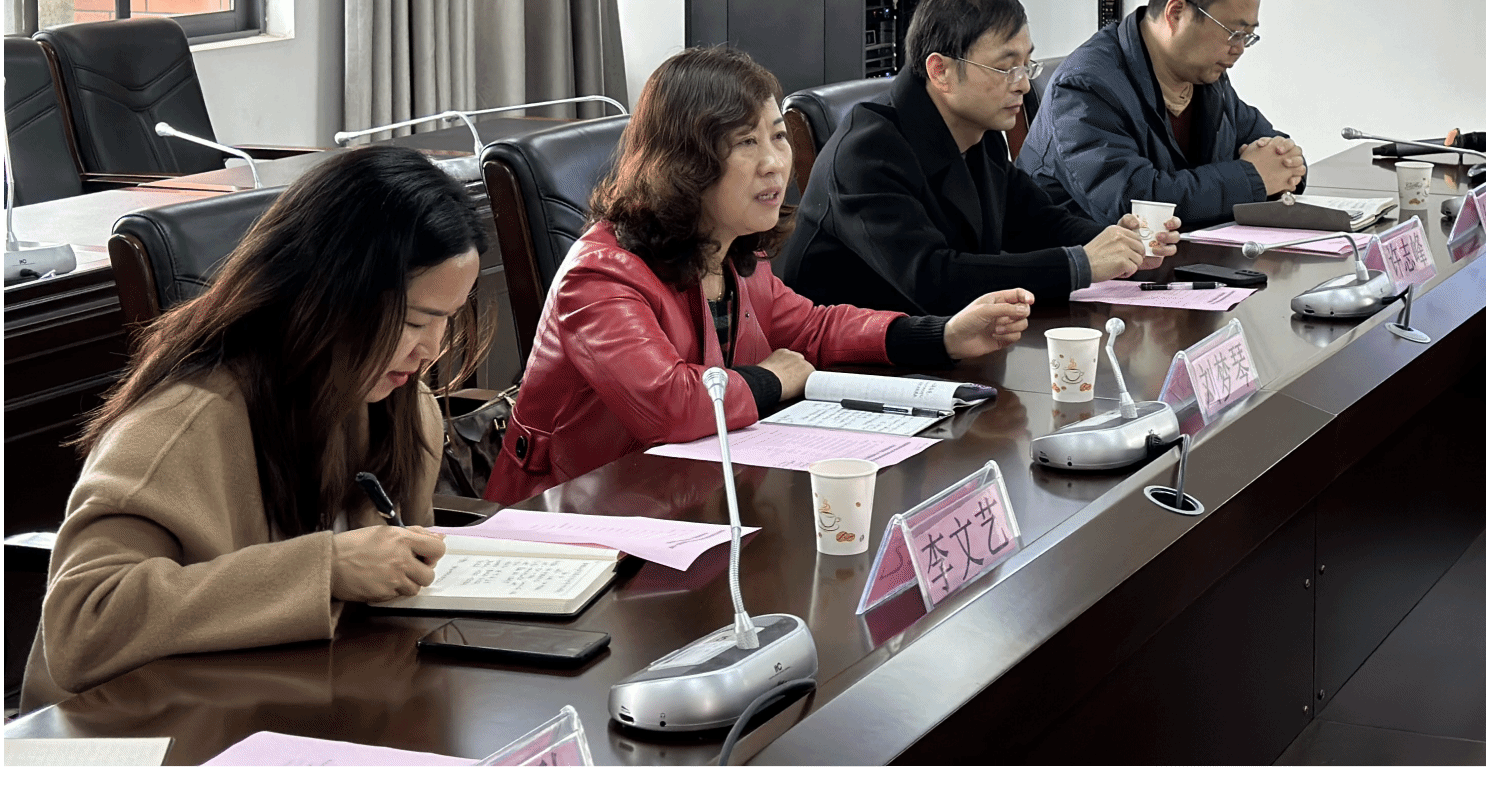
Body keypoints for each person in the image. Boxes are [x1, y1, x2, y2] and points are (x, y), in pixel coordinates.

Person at [26, 145, 488, 708]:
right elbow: (82, 625)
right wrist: (327, 568)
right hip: (148, 726)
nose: (432, 349)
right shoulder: (182, 425)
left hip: (298, 703)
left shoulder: (400, 406)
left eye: (447, 319)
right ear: (329, 294)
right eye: (415, 321)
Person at [487, 45, 1032, 505]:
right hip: (569, 524)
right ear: (684, 161)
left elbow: (814, 329)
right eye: (747, 143)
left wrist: (943, 334)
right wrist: (773, 378)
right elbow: (670, 406)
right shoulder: (600, 275)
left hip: (686, 502)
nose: (775, 162)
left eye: (777, 136)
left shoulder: (732, 250)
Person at [781, 0, 1175, 314]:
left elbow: (1035, 222)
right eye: (1006, 68)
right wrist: (1081, 264)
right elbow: (934, 279)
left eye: (1027, 65)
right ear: (940, 71)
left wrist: (1120, 243)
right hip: (861, 363)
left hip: (954, 343)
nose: (1023, 84)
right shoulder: (867, 153)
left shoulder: (976, 130)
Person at [1019, 0, 1308, 229]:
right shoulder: (1085, 88)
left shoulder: (1206, 78)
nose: (1240, 48)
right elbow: (1136, 205)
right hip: (1083, 253)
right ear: (1176, 13)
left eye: (1248, 36)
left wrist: (1285, 165)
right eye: (1234, 32)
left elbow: (1272, 149)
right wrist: (1254, 178)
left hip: (1179, 250)